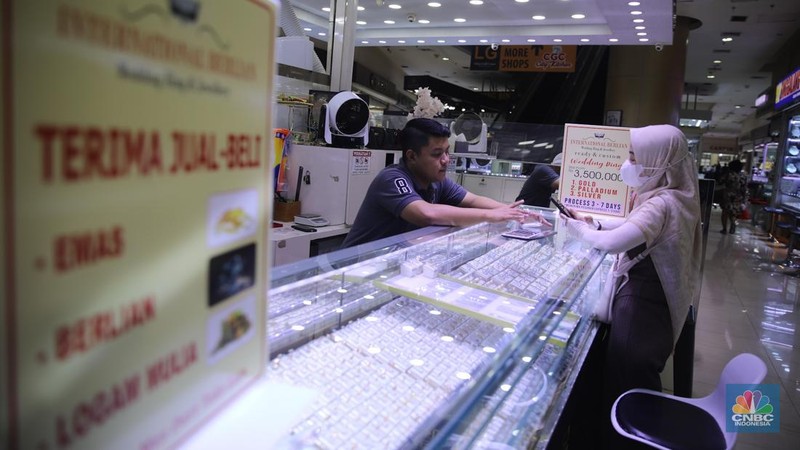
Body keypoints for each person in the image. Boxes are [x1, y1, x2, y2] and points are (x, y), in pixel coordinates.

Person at [561, 125, 702, 448]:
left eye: (635, 157)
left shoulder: (660, 203)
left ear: (658, 161)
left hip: (642, 310)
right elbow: (632, 226)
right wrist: (592, 221)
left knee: (627, 389)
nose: (628, 163)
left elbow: (612, 243)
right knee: (634, 386)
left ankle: (627, 441)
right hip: (656, 307)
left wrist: (576, 229)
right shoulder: (677, 195)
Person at [342, 118, 540, 248]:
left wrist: (517, 213)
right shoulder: (392, 178)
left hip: (388, 262)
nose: (446, 160)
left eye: (447, 152)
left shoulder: (437, 181)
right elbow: (426, 214)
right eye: (437, 154)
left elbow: (473, 200)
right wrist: (491, 216)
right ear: (411, 156)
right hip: (353, 267)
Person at [719, 159, 747, 234]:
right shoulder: (743, 176)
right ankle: (733, 224)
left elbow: (720, 181)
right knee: (733, 212)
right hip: (738, 196)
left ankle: (724, 229)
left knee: (725, 212)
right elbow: (744, 188)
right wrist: (744, 199)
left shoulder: (728, 174)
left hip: (728, 195)